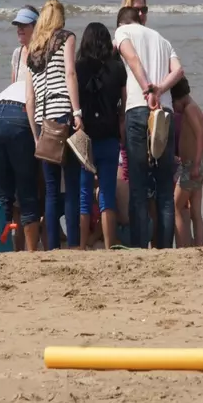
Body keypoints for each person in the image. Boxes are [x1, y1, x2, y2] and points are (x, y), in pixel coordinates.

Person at [114, 6, 184, 249]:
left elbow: (132, 58)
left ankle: (139, 246)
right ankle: (164, 247)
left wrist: (146, 89)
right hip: (164, 112)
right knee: (165, 185)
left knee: (138, 183)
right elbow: (178, 71)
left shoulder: (122, 33)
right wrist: (160, 90)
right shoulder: (162, 40)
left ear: (121, 23)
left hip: (138, 109)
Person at [0, 7, 43, 252]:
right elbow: (21, 91)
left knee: (6, 193)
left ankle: (5, 247)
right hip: (16, 113)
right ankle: (21, 250)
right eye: (17, 25)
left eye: (25, 25)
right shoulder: (18, 54)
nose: (20, 29)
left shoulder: (41, 53)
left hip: (2, 114)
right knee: (23, 192)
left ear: (37, 27)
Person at [25, 0, 83, 250]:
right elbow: (70, 73)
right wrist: (78, 112)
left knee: (49, 188)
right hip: (62, 114)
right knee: (70, 183)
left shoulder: (32, 49)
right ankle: (72, 243)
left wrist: (35, 134)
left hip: (41, 119)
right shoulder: (66, 38)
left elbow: (29, 98)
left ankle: (50, 247)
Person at [75, 22, 127, 249]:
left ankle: (82, 244)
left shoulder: (78, 67)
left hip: (85, 137)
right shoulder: (117, 68)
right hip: (109, 135)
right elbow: (123, 106)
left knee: (85, 194)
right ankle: (108, 246)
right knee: (106, 193)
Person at [171, 77, 203, 248]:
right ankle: (198, 246)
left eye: (173, 103)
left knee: (177, 207)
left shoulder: (189, 109)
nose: (173, 108)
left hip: (191, 167)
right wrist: (201, 158)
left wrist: (195, 163)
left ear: (178, 99)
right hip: (196, 165)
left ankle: (183, 248)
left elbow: (201, 134)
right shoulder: (195, 108)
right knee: (196, 212)